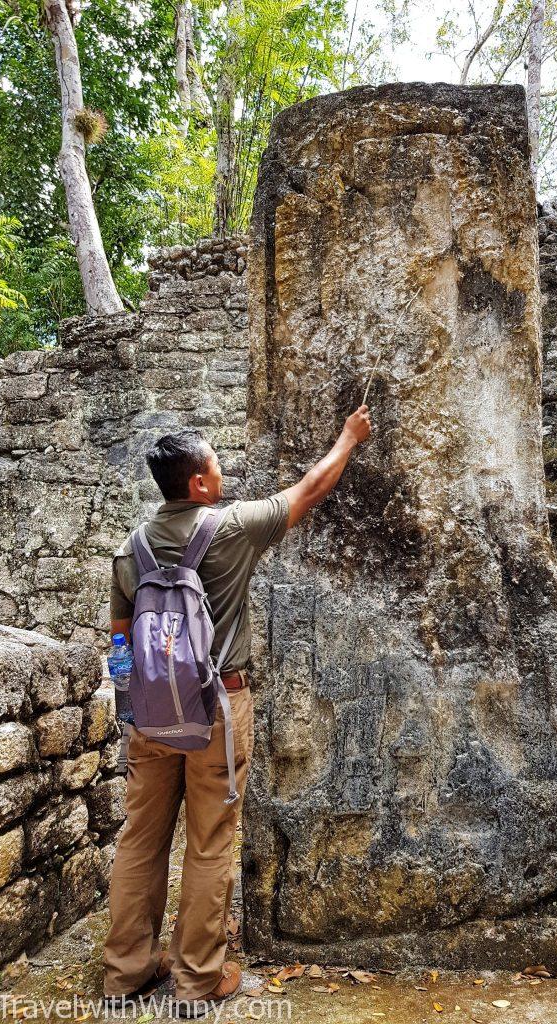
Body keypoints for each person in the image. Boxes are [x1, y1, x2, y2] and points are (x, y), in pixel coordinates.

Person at [103, 405, 372, 1017]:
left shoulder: (131, 549)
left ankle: (126, 973)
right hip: (219, 705)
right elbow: (312, 487)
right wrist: (349, 437)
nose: (223, 476)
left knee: (140, 838)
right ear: (198, 483)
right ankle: (197, 980)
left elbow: (120, 642)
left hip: (148, 715)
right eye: (216, 468)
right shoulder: (231, 529)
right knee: (210, 841)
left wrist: (131, 709)